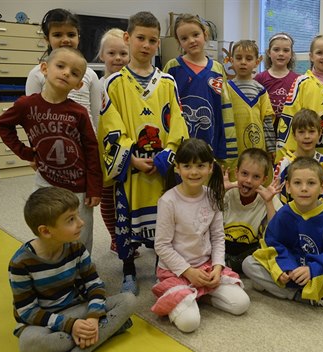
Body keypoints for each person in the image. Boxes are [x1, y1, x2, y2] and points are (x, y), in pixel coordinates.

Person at [97, 11, 189, 295]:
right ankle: (128, 270)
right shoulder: (113, 84)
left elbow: (178, 124)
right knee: (128, 222)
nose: (146, 45)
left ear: (158, 44)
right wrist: (131, 157)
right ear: (127, 38)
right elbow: (109, 128)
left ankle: (162, 267)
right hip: (132, 169)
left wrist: (168, 154)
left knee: (165, 218)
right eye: (140, 38)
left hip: (161, 168)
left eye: (152, 40)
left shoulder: (167, 83)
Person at [0, 47, 101, 255]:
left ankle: (82, 269)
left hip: (77, 185)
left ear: (79, 84)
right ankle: (53, 266)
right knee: (48, 227)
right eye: (60, 66)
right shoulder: (26, 105)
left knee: (80, 232)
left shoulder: (78, 112)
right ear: (44, 68)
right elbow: (3, 125)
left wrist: (94, 187)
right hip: (45, 181)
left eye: (74, 73)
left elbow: (91, 149)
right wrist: (26, 153)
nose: (66, 73)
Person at [9, 187, 136, 352]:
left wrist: (92, 318)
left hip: (77, 309)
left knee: (128, 300)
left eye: (77, 215)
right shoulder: (20, 263)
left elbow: (95, 285)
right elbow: (27, 311)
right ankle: (106, 330)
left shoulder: (76, 247)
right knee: (29, 345)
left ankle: (82, 342)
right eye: (71, 219)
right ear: (46, 231)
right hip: (44, 321)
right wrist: (71, 325)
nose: (81, 222)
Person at [152, 139, 250, 333]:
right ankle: (182, 291)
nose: (194, 172)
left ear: (210, 168)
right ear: (177, 168)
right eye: (187, 166)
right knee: (190, 323)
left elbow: (218, 237)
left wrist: (217, 267)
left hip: (205, 267)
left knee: (241, 304)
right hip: (177, 271)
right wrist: (188, 272)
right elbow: (162, 246)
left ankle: (198, 293)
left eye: (200, 165)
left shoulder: (212, 195)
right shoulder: (168, 201)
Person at [243, 157, 323, 311]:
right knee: (249, 263)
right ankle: (308, 297)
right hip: (291, 272)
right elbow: (272, 243)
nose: (304, 188)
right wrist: (285, 268)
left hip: (315, 274)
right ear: (288, 187)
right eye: (297, 183)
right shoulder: (285, 213)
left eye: (311, 183)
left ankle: (286, 292)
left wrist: (313, 270)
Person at [163, 13, 237, 166]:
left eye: (195, 34)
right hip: (180, 148)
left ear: (205, 34)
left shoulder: (217, 69)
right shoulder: (172, 68)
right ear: (179, 42)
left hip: (211, 148)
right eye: (184, 38)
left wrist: (226, 153)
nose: (191, 41)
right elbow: (164, 109)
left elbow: (225, 111)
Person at [26, 8, 102, 130]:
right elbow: (31, 116)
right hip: (50, 140)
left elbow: (96, 114)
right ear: (47, 39)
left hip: (84, 143)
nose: (66, 39)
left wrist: (97, 145)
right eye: (57, 35)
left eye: (71, 35)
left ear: (78, 37)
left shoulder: (90, 74)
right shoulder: (37, 74)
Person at [276, 34, 323, 162]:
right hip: (304, 158)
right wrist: (287, 157)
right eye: (319, 53)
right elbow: (289, 119)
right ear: (311, 56)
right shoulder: (301, 83)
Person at [95, 28, 133, 256]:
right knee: (108, 198)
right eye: (112, 53)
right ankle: (114, 237)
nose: (118, 58)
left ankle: (131, 234)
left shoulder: (131, 85)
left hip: (129, 148)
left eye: (123, 53)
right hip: (105, 150)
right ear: (102, 56)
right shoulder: (97, 85)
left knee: (128, 195)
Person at [224, 148, 283, 272]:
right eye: (244, 174)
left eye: (256, 177)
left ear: (264, 179)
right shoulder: (227, 193)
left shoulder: (269, 197)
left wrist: (268, 202)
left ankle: (230, 266)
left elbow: (276, 234)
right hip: (222, 248)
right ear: (237, 172)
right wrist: (220, 193)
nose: (248, 180)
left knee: (260, 255)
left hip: (249, 252)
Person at [276, 109, 323, 217]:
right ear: (294, 135)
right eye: (301, 132)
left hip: (320, 221)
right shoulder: (284, 164)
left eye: (311, 131)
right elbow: (278, 201)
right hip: (291, 220)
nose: (307, 136)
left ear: (320, 133)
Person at [228, 40, 276, 161]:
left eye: (248, 59)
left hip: (257, 146)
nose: (243, 62)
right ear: (231, 60)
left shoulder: (261, 90)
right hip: (233, 146)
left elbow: (267, 120)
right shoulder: (225, 89)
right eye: (238, 58)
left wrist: (271, 148)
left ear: (257, 62)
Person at [255, 32, 300, 130]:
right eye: (276, 49)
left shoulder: (299, 80)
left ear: (291, 54)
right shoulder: (260, 78)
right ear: (269, 52)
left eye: (286, 50)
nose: (281, 54)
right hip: (266, 130)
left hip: (291, 131)